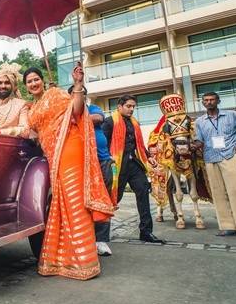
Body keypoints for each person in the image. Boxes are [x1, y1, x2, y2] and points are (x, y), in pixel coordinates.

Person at [25, 64, 115, 280]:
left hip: (69, 147)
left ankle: (84, 262)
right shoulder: (31, 108)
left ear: (42, 80)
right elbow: (34, 131)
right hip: (52, 155)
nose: (34, 83)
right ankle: (65, 258)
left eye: (36, 79)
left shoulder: (55, 94)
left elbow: (76, 111)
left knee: (74, 201)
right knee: (61, 203)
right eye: (29, 81)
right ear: (26, 86)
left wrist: (77, 84)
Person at [193, 91, 236, 240]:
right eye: (206, 100)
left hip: (229, 156)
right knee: (218, 193)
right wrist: (192, 146)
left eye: (212, 100)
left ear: (218, 101)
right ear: (203, 103)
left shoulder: (232, 115)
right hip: (210, 159)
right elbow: (199, 141)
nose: (209, 102)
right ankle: (227, 226)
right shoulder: (200, 122)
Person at [102, 95, 165, 244]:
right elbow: (102, 144)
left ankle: (146, 231)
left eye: (133, 107)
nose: (131, 109)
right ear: (120, 106)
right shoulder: (109, 122)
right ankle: (100, 235)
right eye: (129, 106)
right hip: (116, 165)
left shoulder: (135, 123)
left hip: (133, 163)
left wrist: (148, 156)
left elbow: (139, 143)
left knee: (143, 191)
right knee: (112, 199)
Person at [87, 100, 116, 256]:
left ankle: (101, 240)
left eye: (82, 95)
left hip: (102, 161)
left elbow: (98, 118)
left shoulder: (93, 108)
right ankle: (88, 238)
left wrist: (75, 116)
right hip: (81, 162)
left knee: (103, 199)